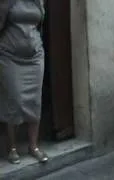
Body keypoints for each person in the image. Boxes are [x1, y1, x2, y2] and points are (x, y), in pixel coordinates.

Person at [0, 0, 48, 164]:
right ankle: (11, 147)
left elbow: (40, 23)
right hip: (9, 56)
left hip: (35, 56)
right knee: (13, 100)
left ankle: (33, 146)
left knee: (35, 101)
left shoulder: (39, 1)